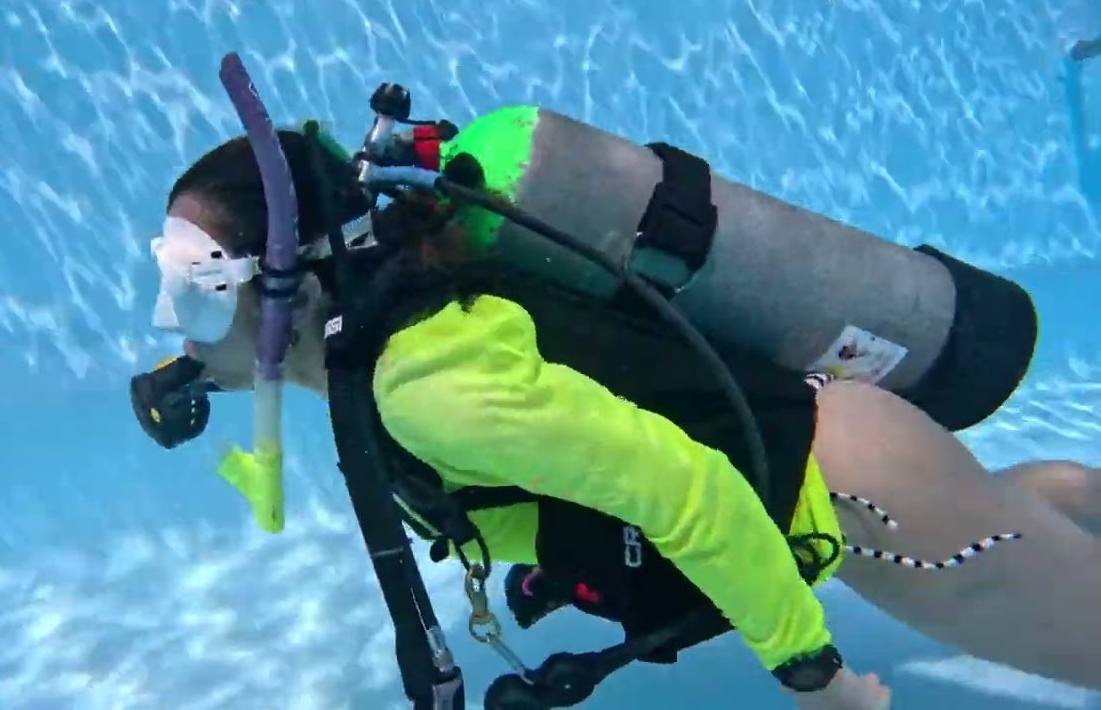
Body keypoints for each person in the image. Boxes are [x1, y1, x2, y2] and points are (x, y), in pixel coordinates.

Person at [132, 127, 1101, 710]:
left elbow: (690, 490)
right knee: (1025, 533)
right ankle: (1060, 502)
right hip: (858, 468)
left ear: (293, 286)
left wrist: (817, 677)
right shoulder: (388, 346)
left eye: (197, 292)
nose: (174, 324)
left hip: (866, 510)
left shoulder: (424, 391)